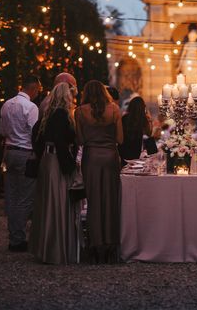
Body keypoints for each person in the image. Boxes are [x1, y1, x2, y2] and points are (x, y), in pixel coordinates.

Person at [29, 82, 79, 264]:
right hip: (57, 160)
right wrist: (70, 164)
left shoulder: (48, 114)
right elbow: (60, 140)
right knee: (58, 201)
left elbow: (37, 136)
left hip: (48, 160)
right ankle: (55, 249)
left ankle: (45, 247)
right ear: (66, 96)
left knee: (48, 202)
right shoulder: (61, 115)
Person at [75, 80, 124, 263]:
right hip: (110, 156)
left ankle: (95, 245)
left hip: (91, 158)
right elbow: (120, 139)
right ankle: (110, 246)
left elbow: (80, 140)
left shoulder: (80, 112)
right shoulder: (114, 110)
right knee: (110, 201)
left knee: (94, 201)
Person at [0, 75, 41, 252]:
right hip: (25, 152)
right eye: (38, 90)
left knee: (11, 195)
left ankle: (13, 236)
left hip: (9, 151)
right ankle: (19, 238)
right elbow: (35, 133)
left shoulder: (7, 104)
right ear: (33, 89)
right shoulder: (31, 107)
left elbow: (2, 131)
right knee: (25, 197)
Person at [119, 96, 154, 163]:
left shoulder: (124, 118)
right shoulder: (142, 120)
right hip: (135, 154)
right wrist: (150, 120)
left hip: (123, 152)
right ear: (143, 108)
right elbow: (149, 134)